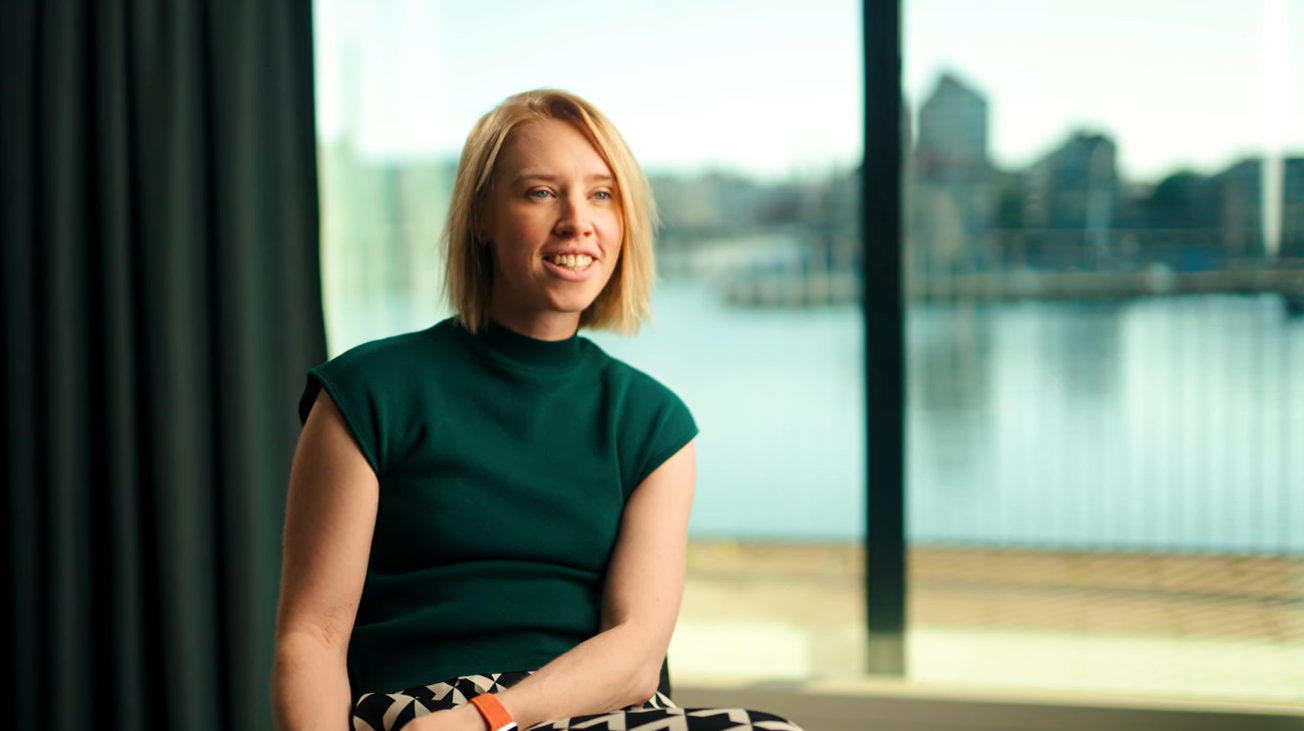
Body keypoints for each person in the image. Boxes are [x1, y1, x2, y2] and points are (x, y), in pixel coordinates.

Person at [272, 89, 804, 731]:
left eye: (602, 195)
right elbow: (313, 636)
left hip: (583, 711)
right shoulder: (367, 391)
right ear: (480, 218)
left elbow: (637, 654)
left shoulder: (653, 422)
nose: (578, 220)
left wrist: (489, 720)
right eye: (541, 192)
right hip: (420, 715)